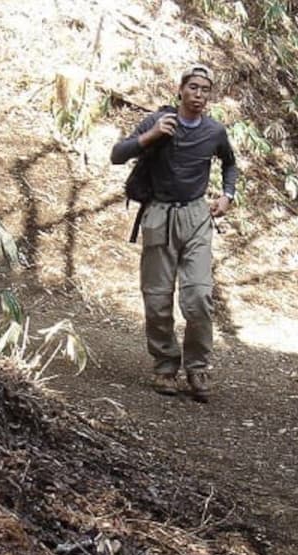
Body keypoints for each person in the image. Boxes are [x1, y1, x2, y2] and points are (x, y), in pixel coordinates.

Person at [110, 64, 240, 402]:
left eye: (205, 90)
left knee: (198, 295)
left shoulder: (214, 131)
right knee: (157, 297)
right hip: (158, 214)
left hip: (196, 216)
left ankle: (198, 368)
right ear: (180, 90)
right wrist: (149, 137)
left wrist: (227, 194)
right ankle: (165, 366)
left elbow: (230, 163)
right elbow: (117, 155)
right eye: (193, 87)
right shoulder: (157, 121)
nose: (199, 95)